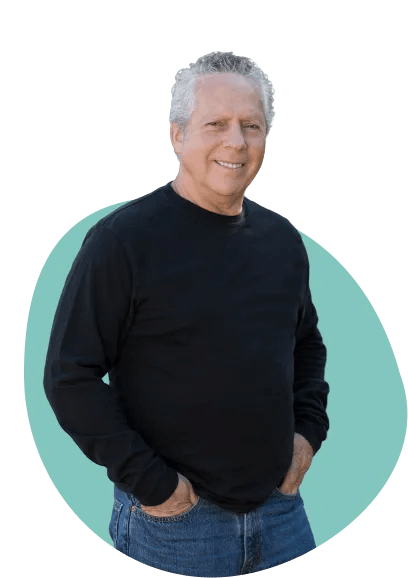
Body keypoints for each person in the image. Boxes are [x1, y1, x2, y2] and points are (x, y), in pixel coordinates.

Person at [43, 51, 330, 576]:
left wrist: (308, 433)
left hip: (281, 513)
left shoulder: (283, 240)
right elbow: (69, 377)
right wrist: (156, 487)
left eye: (251, 126)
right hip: (176, 528)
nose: (236, 142)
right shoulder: (122, 242)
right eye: (215, 124)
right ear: (177, 135)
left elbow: (306, 343)